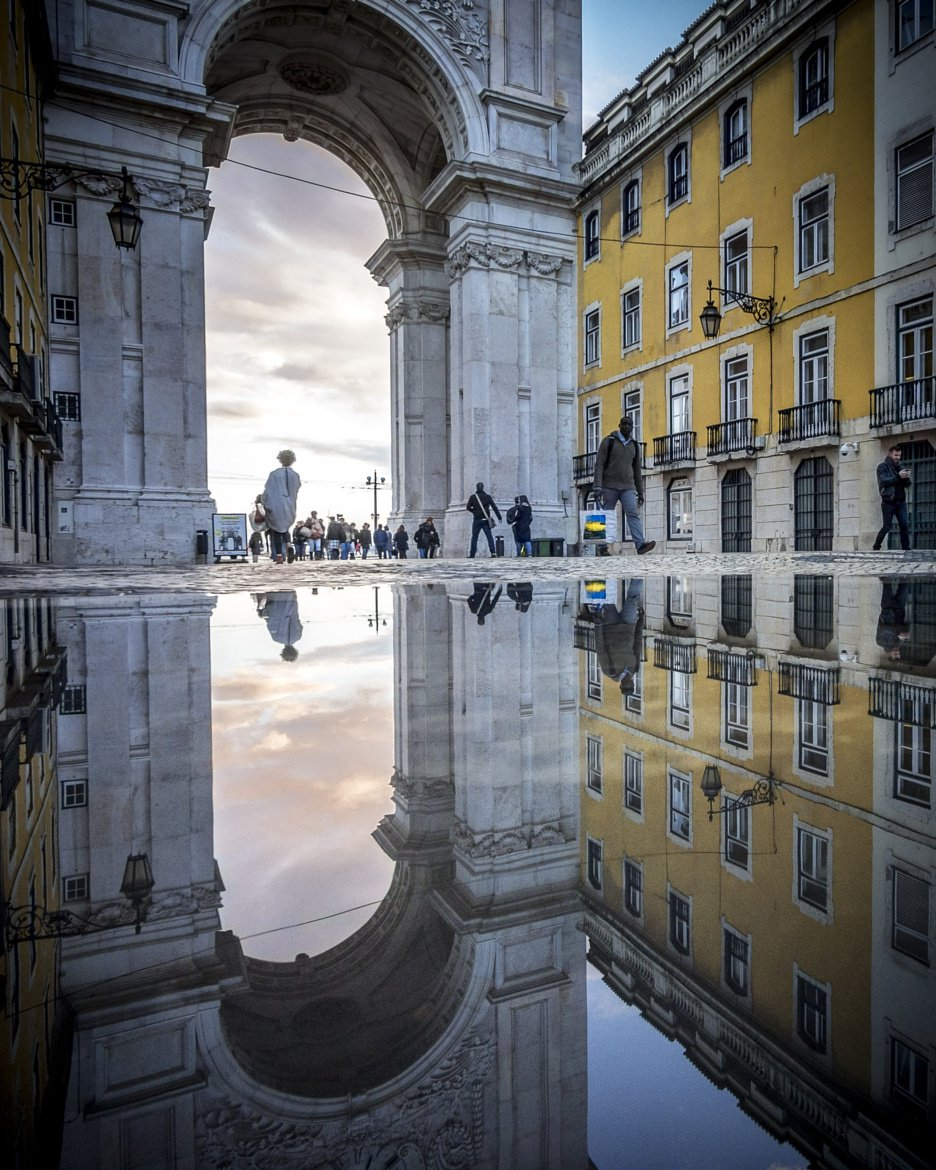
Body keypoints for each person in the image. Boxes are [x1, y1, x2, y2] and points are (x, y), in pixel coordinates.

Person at [593, 416, 655, 555]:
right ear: (619, 425)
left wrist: (640, 492)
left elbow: (637, 471)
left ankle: (640, 545)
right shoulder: (608, 441)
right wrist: (597, 486)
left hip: (628, 486)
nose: (627, 427)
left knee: (633, 513)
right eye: (625, 424)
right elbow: (599, 465)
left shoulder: (634, 445)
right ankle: (602, 547)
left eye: (630, 425)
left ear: (633, 427)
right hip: (609, 486)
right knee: (605, 515)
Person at [593, 579, 645, 693]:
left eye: (626, 688)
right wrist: (640, 622)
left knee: (606, 599)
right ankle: (638, 573)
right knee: (633, 598)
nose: (628, 685)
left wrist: (598, 625)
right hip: (629, 625)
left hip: (611, 627)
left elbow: (600, 648)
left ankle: (600, 575)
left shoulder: (610, 671)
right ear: (633, 684)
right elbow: (637, 643)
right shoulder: (635, 668)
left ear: (621, 687)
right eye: (631, 687)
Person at [261, 450, 301, 564]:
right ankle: (289, 544)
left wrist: (263, 500)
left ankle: (279, 555)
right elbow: (297, 488)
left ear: (280, 459)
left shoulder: (274, 474)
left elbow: (268, 490)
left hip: (276, 505)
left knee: (276, 530)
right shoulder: (295, 475)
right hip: (290, 505)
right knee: (285, 527)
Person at [873, 444, 912, 552]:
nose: (898, 457)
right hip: (888, 501)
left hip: (901, 501)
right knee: (887, 526)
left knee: (904, 524)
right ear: (890, 454)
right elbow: (884, 482)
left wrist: (906, 478)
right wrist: (898, 476)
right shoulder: (882, 467)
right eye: (896, 455)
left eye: (899, 455)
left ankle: (906, 548)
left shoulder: (901, 466)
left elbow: (908, 485)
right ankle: (876, 546)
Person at [254, 591, 303, 661]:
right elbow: (270, 622)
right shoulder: (276, 638)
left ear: (295, 650)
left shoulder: (298, 636)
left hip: (290, 600)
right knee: (261, 611)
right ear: (283, 651)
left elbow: (298, 622)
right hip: (274, 604)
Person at [876, 578, 911, 660]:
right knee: (905, 585)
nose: (897, 652)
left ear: (889, 655)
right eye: (898, 653)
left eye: (895, 654)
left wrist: (898, 633)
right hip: (899, 609)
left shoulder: (880, 642)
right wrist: (907, 633)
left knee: (887, 583)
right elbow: (907, 624)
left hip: (887, 609)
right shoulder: (900, 642)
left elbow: (882, 628)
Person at [466, 481, 502, 557]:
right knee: (489, 537)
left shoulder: (473, 497)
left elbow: (468, 507)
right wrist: (499, 517)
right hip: (485, 520)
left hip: (476, 520)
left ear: (476, 488)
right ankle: (493, 552)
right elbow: (494, 507)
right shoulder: (488, 497)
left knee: (474, 537)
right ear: (483, 488)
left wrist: (474, 512)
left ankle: (472, 554)